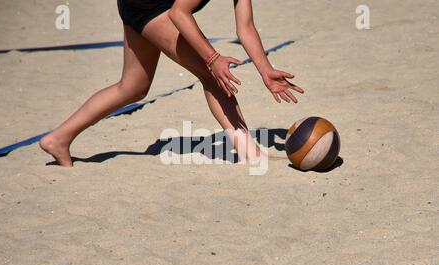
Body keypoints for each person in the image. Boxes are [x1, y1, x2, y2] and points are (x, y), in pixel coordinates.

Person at [40, 0, 304, 167]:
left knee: (132, 87)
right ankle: (251, 154)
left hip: (145, 4)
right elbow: (180, 13)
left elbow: (245, 27)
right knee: (212, 75)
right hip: (150, 6)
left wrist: (266, 71)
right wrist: (212, 58)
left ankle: (58, 138)